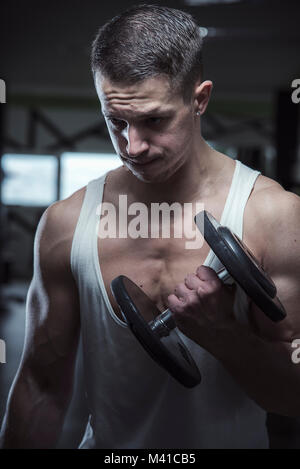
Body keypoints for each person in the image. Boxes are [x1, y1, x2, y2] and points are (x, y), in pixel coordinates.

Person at [1, 4, 300, 449]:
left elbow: (292, 398)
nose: (132, 146)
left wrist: (224, 334)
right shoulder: (66, 224)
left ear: (199, 99)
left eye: (154, 121)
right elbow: (41, 387)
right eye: (115, 121)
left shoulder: (273, 216)